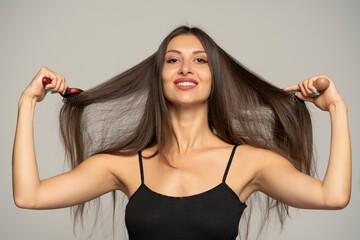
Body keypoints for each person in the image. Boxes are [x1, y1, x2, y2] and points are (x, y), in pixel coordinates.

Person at [13, 26, 351, 240]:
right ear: (158, 76)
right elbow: (29, 196)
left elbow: (332, 197)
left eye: (201, 60)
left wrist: (337, 109)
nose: (186, 68)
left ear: (216, 77)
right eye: (173, 60)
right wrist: (27, 102)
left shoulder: (249, 163)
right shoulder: (124, 165)